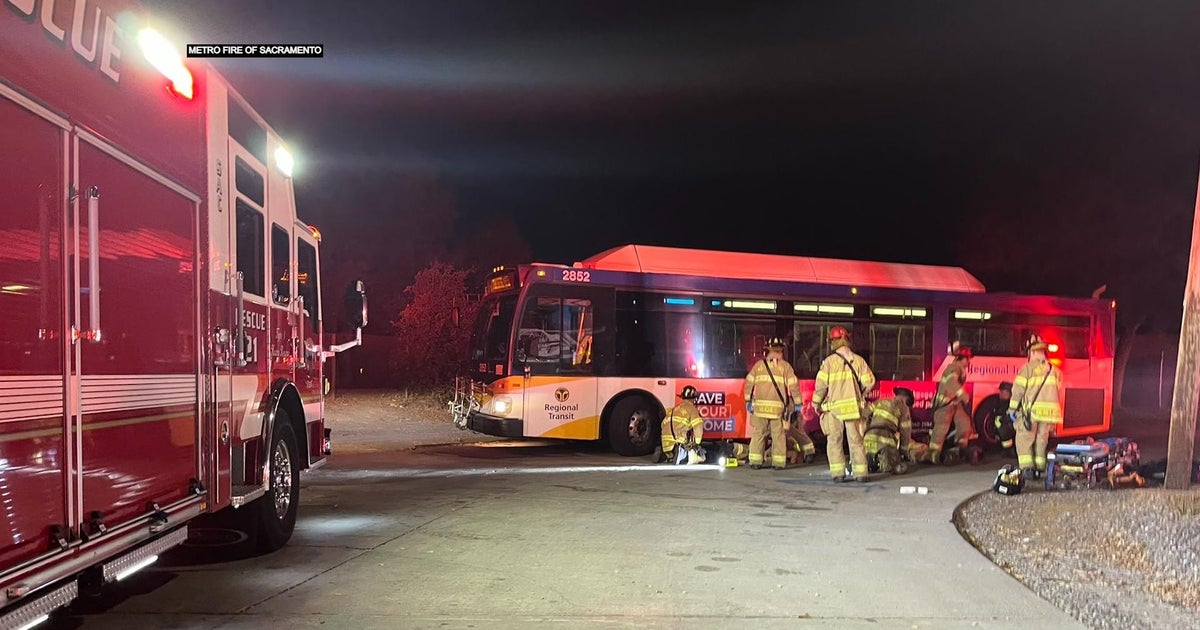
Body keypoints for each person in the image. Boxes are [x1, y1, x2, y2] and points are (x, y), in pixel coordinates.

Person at [811, 326, 876, 481]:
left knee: (834, 441)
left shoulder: (828, 362)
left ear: (834, 341)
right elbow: (869, 383)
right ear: (847, 339)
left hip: (834, 410)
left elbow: (820, 387)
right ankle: (861, 474)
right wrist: (860, 394)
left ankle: (838, 474)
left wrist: (816, 403)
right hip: (853, 408)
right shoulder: (859, 360)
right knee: (856, 440)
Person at [1009, 335, 1065, 478]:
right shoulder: (1055, 370)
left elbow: (1018, 391)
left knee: (1024, 438)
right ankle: (1040, 468)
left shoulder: (1028, 368)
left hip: (1032, 412)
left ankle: (1027, 469)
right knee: (1042, 439)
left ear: (1032, 352)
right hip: (1050, 414)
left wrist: (1012, 409)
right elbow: (1058, 390)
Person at [743, 337, 802, 470]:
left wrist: (748, 400)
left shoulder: (759, 366)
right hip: (777, 410)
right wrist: (797, 403)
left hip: (760, 408)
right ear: (781, 350)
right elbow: (794, 386)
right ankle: (778, 463)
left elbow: (749, 383)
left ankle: (755, 461)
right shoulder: (785, 367)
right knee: (778, 435)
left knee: (759, 433)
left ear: (768, 349)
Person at [929, 343, 976, 465]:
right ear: (963, 358)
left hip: (954, 403)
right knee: (941, 429)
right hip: (944, 404)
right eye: (968, 358)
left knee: (965, 425)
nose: (969, 361)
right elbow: (951, 382)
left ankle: (960, 449)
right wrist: (964, 395)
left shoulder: (959, 368)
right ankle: (933, 455)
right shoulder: (954, 367)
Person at [863, 387, 914, 474]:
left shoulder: (880, 401)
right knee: (897, 467)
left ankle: (870, 464)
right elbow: (905, 433)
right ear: (905, 399)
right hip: (885, 442)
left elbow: (864, 414)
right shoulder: (903, 408)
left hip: (867, 439)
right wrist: (903, 452)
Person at [653, 385, 704, 464]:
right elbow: (698, 427)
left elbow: (663, 424)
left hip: (665, 444)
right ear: (694, 399)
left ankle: (667, 454)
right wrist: (697, 444)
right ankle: (681, 454)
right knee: (702, 457)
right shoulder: (692, 409)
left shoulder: (673, 410)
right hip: (678, 442)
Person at [986, 382, 1015, 452]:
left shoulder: (1011, 405)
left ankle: (1009, 450)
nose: (1000, 394)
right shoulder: (999, 403)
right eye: (1000, 391)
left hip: (1008, 432)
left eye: (1003, 391)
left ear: (1009, 393)